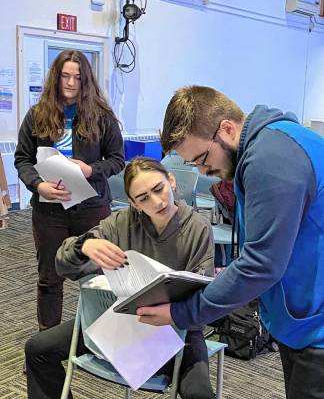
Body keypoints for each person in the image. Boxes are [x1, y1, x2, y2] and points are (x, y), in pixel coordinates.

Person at [137, 86, 324, 399]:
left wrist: (182, 313)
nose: (202, 171)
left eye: (201, 159)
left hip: (316, 330)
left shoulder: (270, 158)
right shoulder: (275, 140)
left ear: (226, 128)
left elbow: (261, 265)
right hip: (305, 319)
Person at [25, 157, 215, 399]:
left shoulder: (197, 227)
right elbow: (63, 265)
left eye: (159, 189)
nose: (157, 201)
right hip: (121, 320)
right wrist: (85, 245)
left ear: (172, 182)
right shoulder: (121, 223)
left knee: (199, 393)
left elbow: (202, 296)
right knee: (37, 349)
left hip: (177, 327)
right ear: (133, 204)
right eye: (144, 198)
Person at [14, 49, 125, 331]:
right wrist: (38, 185)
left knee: (99, 276)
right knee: (50, 278)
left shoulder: (101, 116)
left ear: (86, 80)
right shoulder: (38, 115)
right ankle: (45, 345)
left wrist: (90, 170)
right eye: (65, 76)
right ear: (56, 77)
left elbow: (117, 160)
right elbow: (23, 159)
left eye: (77, 77)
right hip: (49, 211)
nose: (71, 83)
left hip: (90, 207)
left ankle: (103, 341)